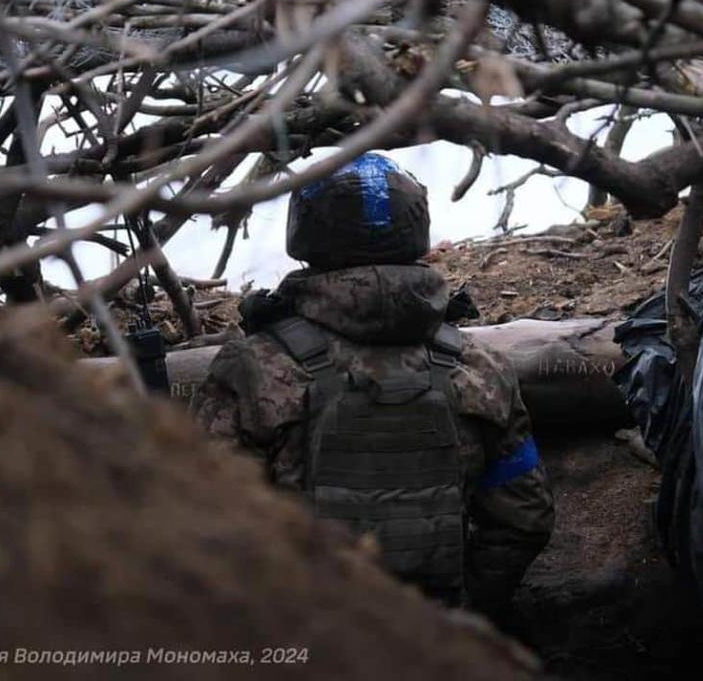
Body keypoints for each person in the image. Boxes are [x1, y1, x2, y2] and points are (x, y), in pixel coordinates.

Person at [190, 152, 554, 620]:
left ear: (305, 232)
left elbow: (206, 525)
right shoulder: (479, 367)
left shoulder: (250, 367)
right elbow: (526, 516)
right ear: (415, 229)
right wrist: (465, 618)